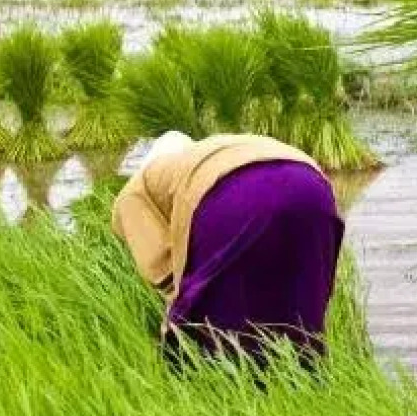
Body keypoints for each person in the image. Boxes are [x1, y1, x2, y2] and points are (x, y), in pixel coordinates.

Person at [112, 131, 345, 367]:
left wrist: (179, 309)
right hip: (313, 188)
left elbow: (160, 268)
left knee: (213, 316)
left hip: (234, 196)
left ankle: (222, 376)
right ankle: (305, 376)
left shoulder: (134, 191)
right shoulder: (211, 153)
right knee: (303, 302)